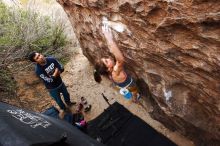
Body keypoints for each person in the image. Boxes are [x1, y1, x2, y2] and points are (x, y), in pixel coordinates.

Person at [94, 24, 140, 102]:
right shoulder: (115, 71)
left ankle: (131, 95)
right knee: (134, 91)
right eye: (106, 61)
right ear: (108, 69)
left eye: (105, 59)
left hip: (121, 84)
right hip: (129, 84)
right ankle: (135, 99)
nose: (108, 58)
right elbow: (120, 60)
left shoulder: (109, 73)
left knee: (125, 88)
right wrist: (109, 39)